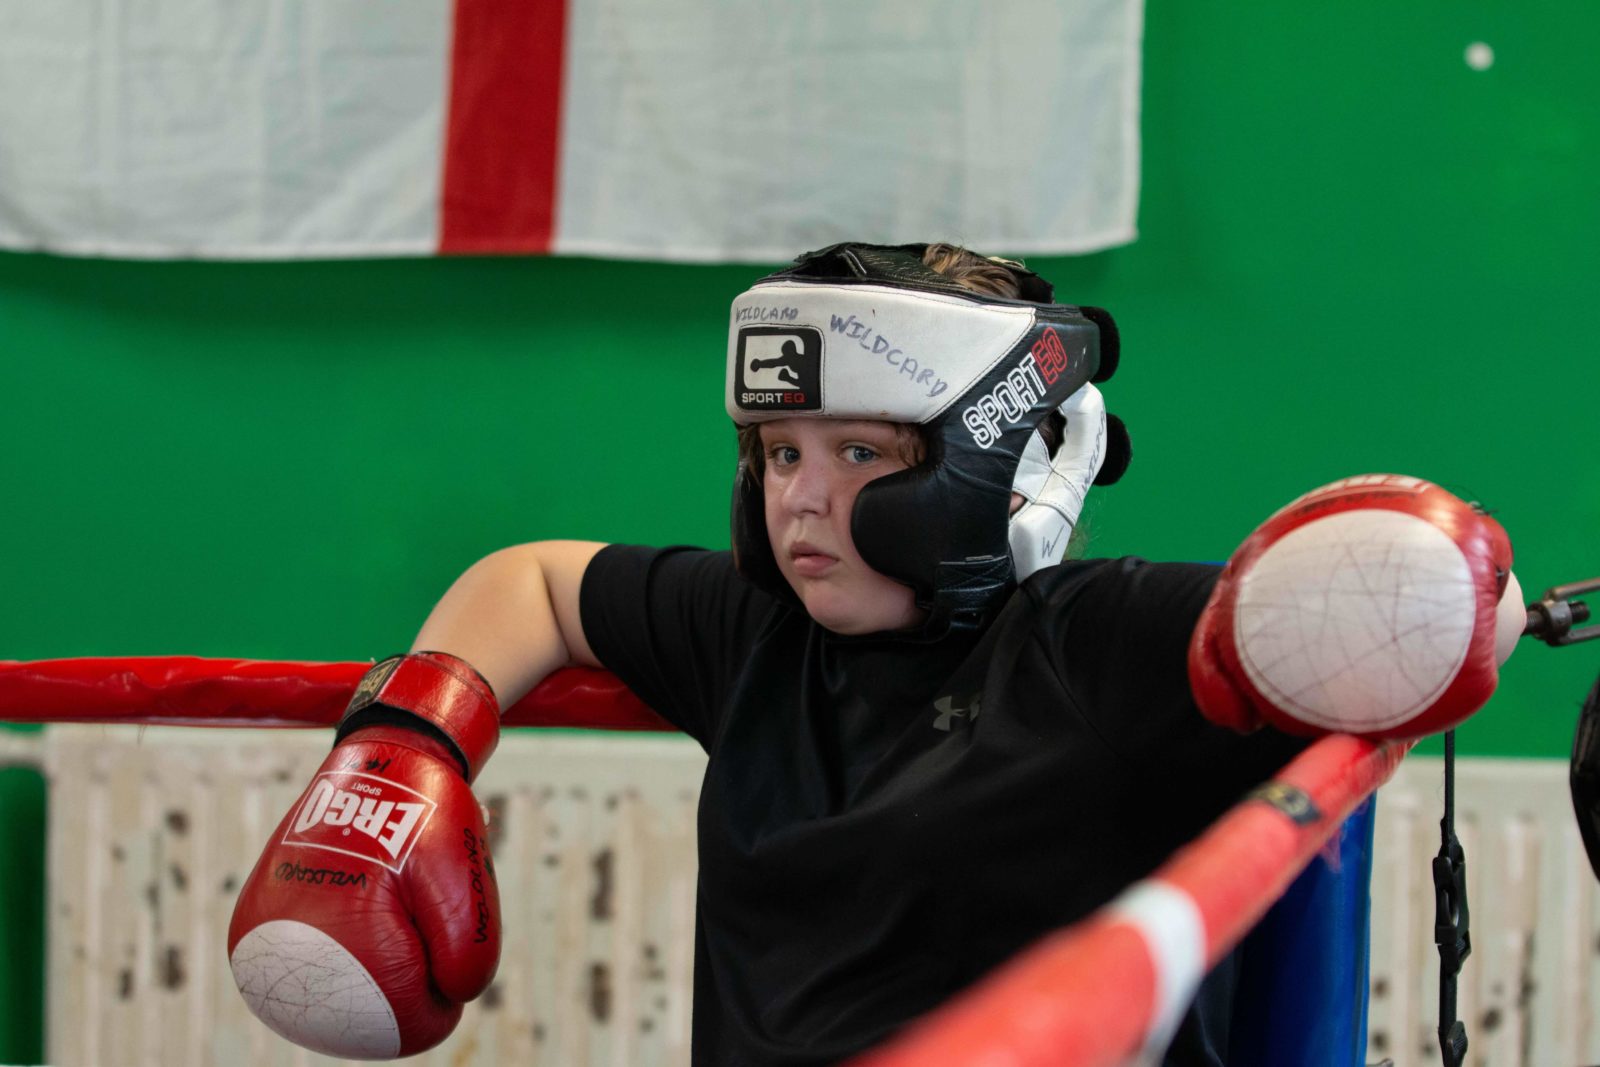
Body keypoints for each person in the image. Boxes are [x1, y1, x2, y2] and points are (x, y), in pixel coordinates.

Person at [226, 243, 1521, 1066]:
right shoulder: (754, 632)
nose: (798, 498)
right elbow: (538, 579)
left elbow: (1446, 607)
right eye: (780, 455)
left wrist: (1435, 596)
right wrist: (406, 744)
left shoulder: (1087, 642)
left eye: (862, 456)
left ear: (994, 468)